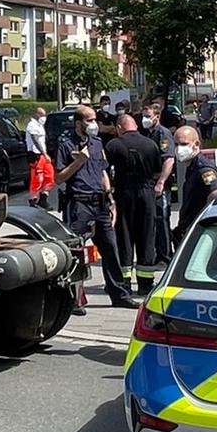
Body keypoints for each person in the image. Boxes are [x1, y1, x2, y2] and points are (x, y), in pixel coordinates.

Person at [55, 105, 139, 309]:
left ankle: (119, 295)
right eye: (90, 120)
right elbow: (59, 177)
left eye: (94, 120)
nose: (94, 124)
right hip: (78, 204)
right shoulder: (66, 145)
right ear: (78, 123)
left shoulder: (97, 143)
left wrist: (110, 199)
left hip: (100, 203)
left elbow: (102, 172)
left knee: (111, 248)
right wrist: (78, 162)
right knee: (75, 252)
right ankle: (74, 299)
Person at [106, 114, 166, 296]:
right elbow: (157, 170)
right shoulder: (150, 144)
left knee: (123, 236)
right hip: (146, 193)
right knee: (147, 236)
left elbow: (105, 171)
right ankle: (145, 283)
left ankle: (124, 281)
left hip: (123, 193)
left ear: (119, 127)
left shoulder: (113, 145)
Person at [172, 125, 217, 246]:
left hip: (198, 231)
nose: (179, 149)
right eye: (176, 145)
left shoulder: (204, 169)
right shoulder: (192, 167)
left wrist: (203, 221)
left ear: (196, 144)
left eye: (183, 144)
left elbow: (216, 193)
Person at [143, 102, 176, 266]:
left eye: (148, 116)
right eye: (144, 116)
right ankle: (158, 253)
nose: (145, 119)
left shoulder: (162, 134)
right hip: (149, 182)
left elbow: (169, 159)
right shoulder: (147, 133)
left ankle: (165, 255)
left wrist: (161, 182)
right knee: (153, 219)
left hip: (159, 183)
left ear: (157, 116)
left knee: (162, 218)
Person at [24, 107, 52, 209]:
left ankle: (43, 199)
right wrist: (44, 154)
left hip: (43, 156)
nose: (43, 117)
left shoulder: (40, 125)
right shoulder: (32, 125)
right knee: (37, 178)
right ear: (36, 114)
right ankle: (33, 199)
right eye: (41, 115)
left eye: (44, 115)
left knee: (49, 176)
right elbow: (35, 140)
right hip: (35, 155)